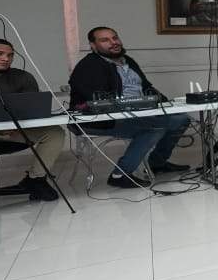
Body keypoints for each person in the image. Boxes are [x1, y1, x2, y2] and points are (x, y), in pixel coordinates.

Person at [67, 26, 191, 189]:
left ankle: (157, 164)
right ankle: (120, 175)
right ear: (93, 45)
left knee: (181, 119)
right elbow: (98, 99)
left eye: (115, 38)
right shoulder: (89, 66)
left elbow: (146, 87)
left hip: (138, 113)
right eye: (105, 40)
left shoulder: (128, 61)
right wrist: (130, 106)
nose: (113, 42)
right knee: (154, 127)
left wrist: (166, 103)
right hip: (101, 120)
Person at [0, 38, 61, 199]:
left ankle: (35, 179)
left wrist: (15, 126)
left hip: (15, 131)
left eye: (10, 55)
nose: (5, 58)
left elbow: (32, 110)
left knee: (55, 132)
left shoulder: (23, 77)